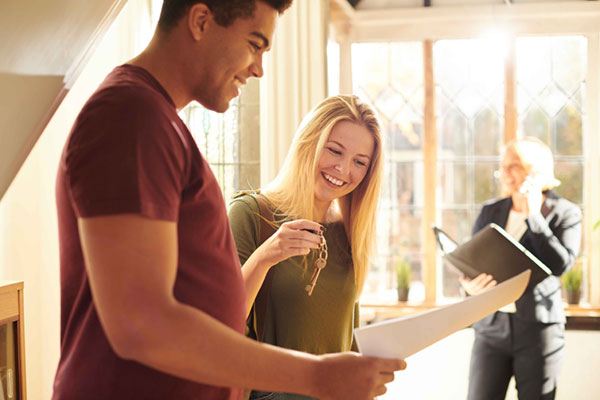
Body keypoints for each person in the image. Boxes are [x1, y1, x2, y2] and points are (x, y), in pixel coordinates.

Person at [52, 1, 405, 399]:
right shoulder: (131, 116)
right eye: (255, 44)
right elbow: (141, 324)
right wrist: (315, 376)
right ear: (201, 21)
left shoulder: (159, 123)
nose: (259, 68)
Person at [228, 95, 383, 399]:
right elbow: (223, 323)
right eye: (334, 150)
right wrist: (264, 257)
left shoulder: (348, 233)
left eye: (359, 162)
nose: (342, 168)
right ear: (308, 142)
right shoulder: (251, 214)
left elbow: (346, 339)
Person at [459, 137, 582, 400]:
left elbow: (560, 265)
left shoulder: (565, 213)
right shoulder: (491, 211)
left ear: (535, 171)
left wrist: (533, 216)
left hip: (538, 331)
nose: (504, 172)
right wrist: (469, 286)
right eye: (502, 166)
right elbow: (473, 261)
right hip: (491, 329)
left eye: (513, 165)